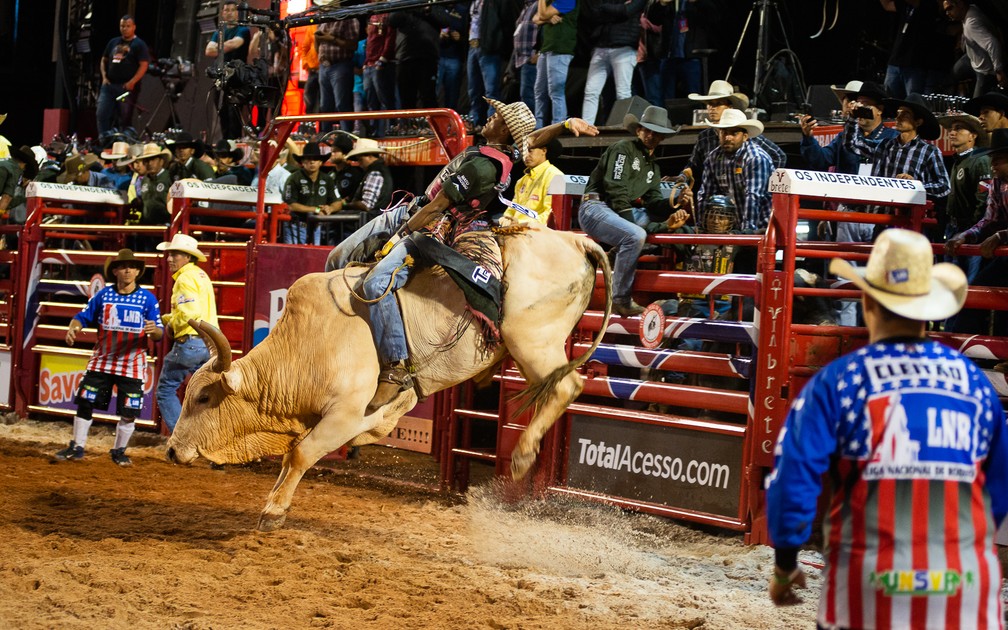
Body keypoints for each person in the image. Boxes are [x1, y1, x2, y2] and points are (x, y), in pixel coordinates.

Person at [765, 228, 1007, 629]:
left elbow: (794, 475)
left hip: (869, 584)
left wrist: (785, 563)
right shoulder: (974, 384)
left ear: (867, 300)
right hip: (964, 588)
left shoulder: (840, 380)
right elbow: (998, 486)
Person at [361, 97, 538, 411]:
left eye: (498, 116)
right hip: (447, 221)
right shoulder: (501, 159)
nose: (490, 117)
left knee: (376, 283)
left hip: (438, 227)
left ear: (506, 131)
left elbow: (437, 207)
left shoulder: (482, 165)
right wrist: (566, 124)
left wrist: (396, 238)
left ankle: (395, 365)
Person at [578, 105, 690, 316]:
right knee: (636, 234)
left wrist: (674, 203)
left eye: (656, 132)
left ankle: (616, 253)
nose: (650, 135)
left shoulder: (653, 168)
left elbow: (654, 201)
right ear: (638, 130)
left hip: (614, 212)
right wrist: (655, 225)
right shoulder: (623, 149)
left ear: (662, 137)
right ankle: (620, 298)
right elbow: (616, 190)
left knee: (653, 223)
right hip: (595, 207)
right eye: (646, 129)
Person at [54, 249, 163, 465]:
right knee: (85, 401)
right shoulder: (103, 296)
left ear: (138, 272)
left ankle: (119, 450)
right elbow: (82, 316)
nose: (128, 270)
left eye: (132, 267)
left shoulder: (148, 299)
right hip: (102, 360)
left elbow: (159, 332)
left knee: (129, 410)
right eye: (123, 266)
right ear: (115, 271)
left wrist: (153, 330)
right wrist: (73, 329)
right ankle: (77, 446)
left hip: (132, 363)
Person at [843, 93, 950, 231]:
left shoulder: (929, 151)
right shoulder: (884, 145)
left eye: (905, 114)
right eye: (898, 113)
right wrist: (852, 117)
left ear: (918, 122)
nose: (898, 118)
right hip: (881, 219)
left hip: (909, 223)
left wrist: (917, 186)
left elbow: (944, 187)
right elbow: (850, 144)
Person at [945, 128, 1008, 337]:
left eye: (998, 160)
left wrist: (1001, 235)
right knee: (981, 292)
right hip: (1005, 253)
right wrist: (965, 235)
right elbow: (990, 219)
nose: (992, 166)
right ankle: (968, 347)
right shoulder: (997, 183)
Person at [155, 234, 219, 433]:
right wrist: (167, 318)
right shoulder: (200, 275)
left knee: (165, 389)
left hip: (190, 342)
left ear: (187, 257)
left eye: (174, 254)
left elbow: (189, 314)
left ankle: (181, 436)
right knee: (207, 393)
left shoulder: (183, 279)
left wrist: (171, 323)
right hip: (208, 344)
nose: (169, 259)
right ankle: (211, 435)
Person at [679, 80, 786, 187]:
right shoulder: (705, 137)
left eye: (718, 104)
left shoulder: (743, 133)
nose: (712, 108)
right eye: (710, 104)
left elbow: (779, 156)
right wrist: (682, 177)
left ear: (730, 107)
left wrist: (763, 182)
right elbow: (693, 164)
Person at [693, 108, 774, 235]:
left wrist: (747, 232)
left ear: (745, 136)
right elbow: (706, 194)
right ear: (718, 133)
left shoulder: (755, 158)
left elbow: (753, 196)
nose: (728, 137)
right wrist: (702, 226)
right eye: (724, 132)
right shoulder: (713, 157)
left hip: (762, 227)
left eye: (734, 133)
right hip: (732, 227)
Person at [938, 113, 990, 282]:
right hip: (955, 228)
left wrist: (971, 231)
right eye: (951, 129)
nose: (952, 133)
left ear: (972, 136)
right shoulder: (959, 161)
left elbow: (983, 200)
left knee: (967, 282)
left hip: (969, 231)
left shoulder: (980, 160)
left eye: (959, 129)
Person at [579, 0, 646, 126]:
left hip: (625, 48)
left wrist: (608, 9)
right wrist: (616, 10)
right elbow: (594, 13)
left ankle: (623, 127)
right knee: (591, 91)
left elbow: (626, 11)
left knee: (623, 92)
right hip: (601, 47)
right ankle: (586, 127)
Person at [96, 15, 149, 139]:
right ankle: (104, 142)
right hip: (109, 85)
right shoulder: (113, 42)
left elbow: (144, 65)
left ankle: (121, 145)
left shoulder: (139, 44)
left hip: (126, 87)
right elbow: (103, 60)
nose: (124, 28)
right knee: (102, 113)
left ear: (134, 27)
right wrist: (104, 77)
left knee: (124, 118)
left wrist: (132, 81)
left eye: (127, 26)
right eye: (122, 26)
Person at [205, 0, 251, 140]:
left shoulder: (243, 30)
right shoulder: (219, 31)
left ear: (237, 13)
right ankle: (225, 144)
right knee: (222, 113)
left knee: (234, 114)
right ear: (222, 13)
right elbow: (208, 51)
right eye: (227, 10)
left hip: (236, 78)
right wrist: (223, 47)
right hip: (220, 77)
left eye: (233, 10)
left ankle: (235, 144)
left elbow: (234, 44)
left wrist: (218, 47)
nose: (230, 13)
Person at [943, 0, 1006, 97]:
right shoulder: (971, 9)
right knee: (954, 73)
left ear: (960, 4)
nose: (947, 13)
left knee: (977, 104)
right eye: (946, 10)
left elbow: (992, 44)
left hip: (984, 69)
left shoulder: (971, 24)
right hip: (970, 58)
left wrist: (999, 70)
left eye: (950, 8)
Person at [282, 142, 339, 245]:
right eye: (308, 159)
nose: (312, 162)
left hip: (317, 226)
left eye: (315, 159)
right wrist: (316, 209)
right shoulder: (294, 178)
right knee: (294, 258)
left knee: (313, 257)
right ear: (302, 162)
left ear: (321, 162)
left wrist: (330, 208)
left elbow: (337, 202)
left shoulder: (327, 179)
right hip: (296, 226)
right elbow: (290, 205)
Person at [533, 0, 578, 126]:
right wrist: (548, 19)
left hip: (560, 49)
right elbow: (535, 18)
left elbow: (541, 15)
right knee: (539, 90)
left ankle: (558, 126)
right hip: (546, 49)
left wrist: (544, 15)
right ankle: (538, 126)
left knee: (555, 91)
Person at [315, 15, 360, 134]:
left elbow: (353, 45)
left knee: (342, 103)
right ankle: (326, 134)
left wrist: (331, 39)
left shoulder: (349, 19)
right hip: (324, 66)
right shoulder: (323, 20)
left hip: (340, 64)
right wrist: (318, 40)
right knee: (325, 105)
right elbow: (318, 46)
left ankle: (346, 135)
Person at [504, 138, 563, 224]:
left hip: (538, 233)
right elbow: (512, 209)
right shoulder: (521, 181)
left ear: (543, 151)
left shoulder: (556, 177)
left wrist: (520, 223)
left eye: (530, 151)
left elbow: (551, 214)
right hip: (516, 230)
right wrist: (505, 218)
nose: (525, 156)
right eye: (523, 152)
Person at [339, 139, 393, 220]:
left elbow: (366, 205)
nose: (359, 163)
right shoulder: (379, 170)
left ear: (370, 156)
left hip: (370, 222)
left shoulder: (375, 173)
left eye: (361, 159)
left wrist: (345, 204)